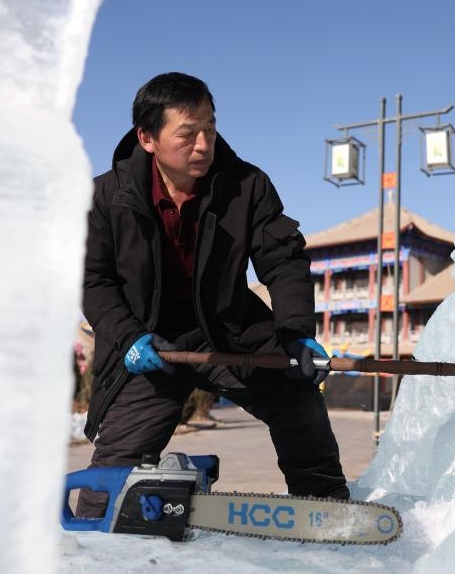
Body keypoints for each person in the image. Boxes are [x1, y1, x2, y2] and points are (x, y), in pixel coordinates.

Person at [77, 72, 348, 515]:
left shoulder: (246, 185)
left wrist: (296, 331)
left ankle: (327, 511)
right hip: (151, 343)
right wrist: (127, 337)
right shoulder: (106, 197)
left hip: (230, 331)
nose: (203, 144)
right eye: (187, 134)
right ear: (148, 138)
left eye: (210, 128)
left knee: (299, 402)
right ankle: (95, 531)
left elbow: (283, 260)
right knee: (109, 483)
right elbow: (93, 280)